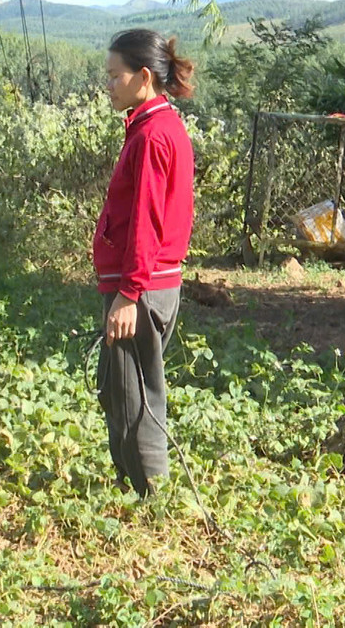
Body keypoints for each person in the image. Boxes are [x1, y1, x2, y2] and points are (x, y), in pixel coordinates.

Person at [93, 29, 196, 497]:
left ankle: (151, 495)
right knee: (117, 387)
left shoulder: (154, 135)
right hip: (148, 283)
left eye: (116, 76)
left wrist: (129, 294)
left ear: (144, 77)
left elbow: (146, 224)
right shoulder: (153, 126)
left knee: (136, 396)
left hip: (143, 288)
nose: (109, 85)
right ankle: (130, 485)